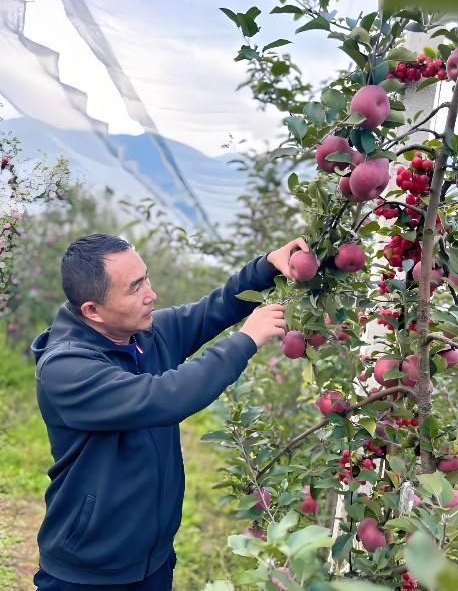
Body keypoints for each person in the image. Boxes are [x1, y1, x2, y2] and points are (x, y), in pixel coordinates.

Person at [30, 233, 309, 590]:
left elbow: (214, 309)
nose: (151, 294)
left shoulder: (142, 334)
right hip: (87, 572)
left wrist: (266, 267)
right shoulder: (66, 369)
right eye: (134, 288)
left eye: (146, 278)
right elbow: (164, 397)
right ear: (92, 310)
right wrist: (245, 340)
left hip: (153, 561)